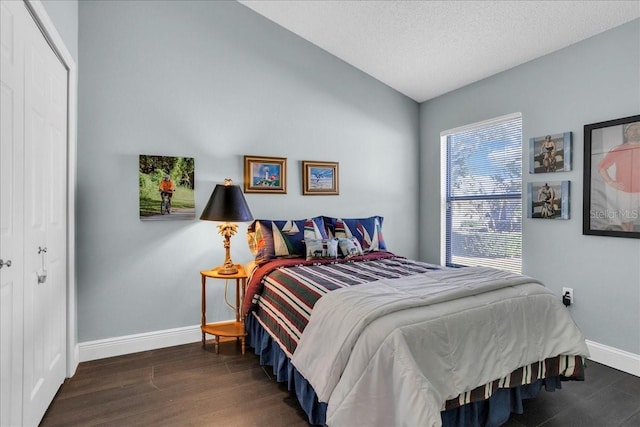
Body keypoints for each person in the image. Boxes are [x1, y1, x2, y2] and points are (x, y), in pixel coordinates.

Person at [598, 122, 640, 232]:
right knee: (627, 221)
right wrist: (611, 182)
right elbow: (602, 168)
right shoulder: (618, 149)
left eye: (638, 129)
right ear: (626, 133)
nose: (635, 132)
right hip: (625, 192)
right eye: (631, 129)